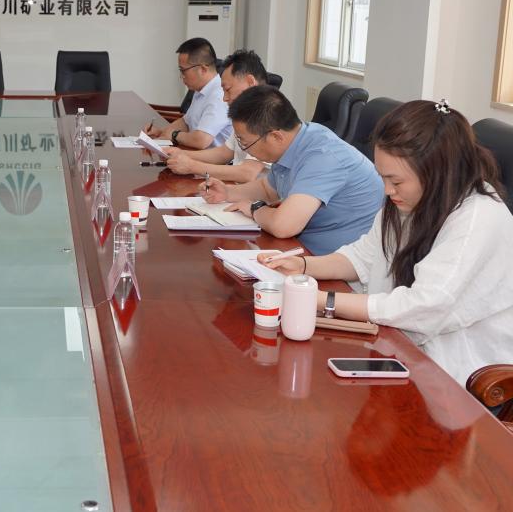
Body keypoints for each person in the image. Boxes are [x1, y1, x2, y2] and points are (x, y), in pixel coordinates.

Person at [259, 100, 513, 384]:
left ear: (436, 171)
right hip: (400, 345)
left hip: (464, 370)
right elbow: (364, 255)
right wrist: (303, 266)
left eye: (396, 181)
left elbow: (424, 306)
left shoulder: (477, 218)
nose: (387, 190)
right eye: (383, 178)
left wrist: (321, 300)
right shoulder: (414, 198)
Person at [200, 85, 383, 255]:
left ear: (275, 137)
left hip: (338, 262)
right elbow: (268, 189)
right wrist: (227, 192)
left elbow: (283, 226)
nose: (243, 148)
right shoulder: (298, 139)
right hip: (303, 249)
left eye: (244, 142)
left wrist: (255, 208)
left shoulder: (323, 156)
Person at [164, 49, 270, 182]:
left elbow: (247, 173)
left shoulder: (268, 115)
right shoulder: (245, 115)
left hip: (252, 193)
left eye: (228, 89)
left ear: (250, 81)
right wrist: (181, 153)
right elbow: (223, 153)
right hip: (235, 188)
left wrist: (192, 166)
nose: (224, 98)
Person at [143, 37, 231, 150]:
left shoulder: (219, 96)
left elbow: (201, 140)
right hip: (195, 153)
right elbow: (186, 122)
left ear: (203, 69)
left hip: (212, 159)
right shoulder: (201, 90)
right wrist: (162, 133)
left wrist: (174, 135)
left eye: (183, 70)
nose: (181, 76)